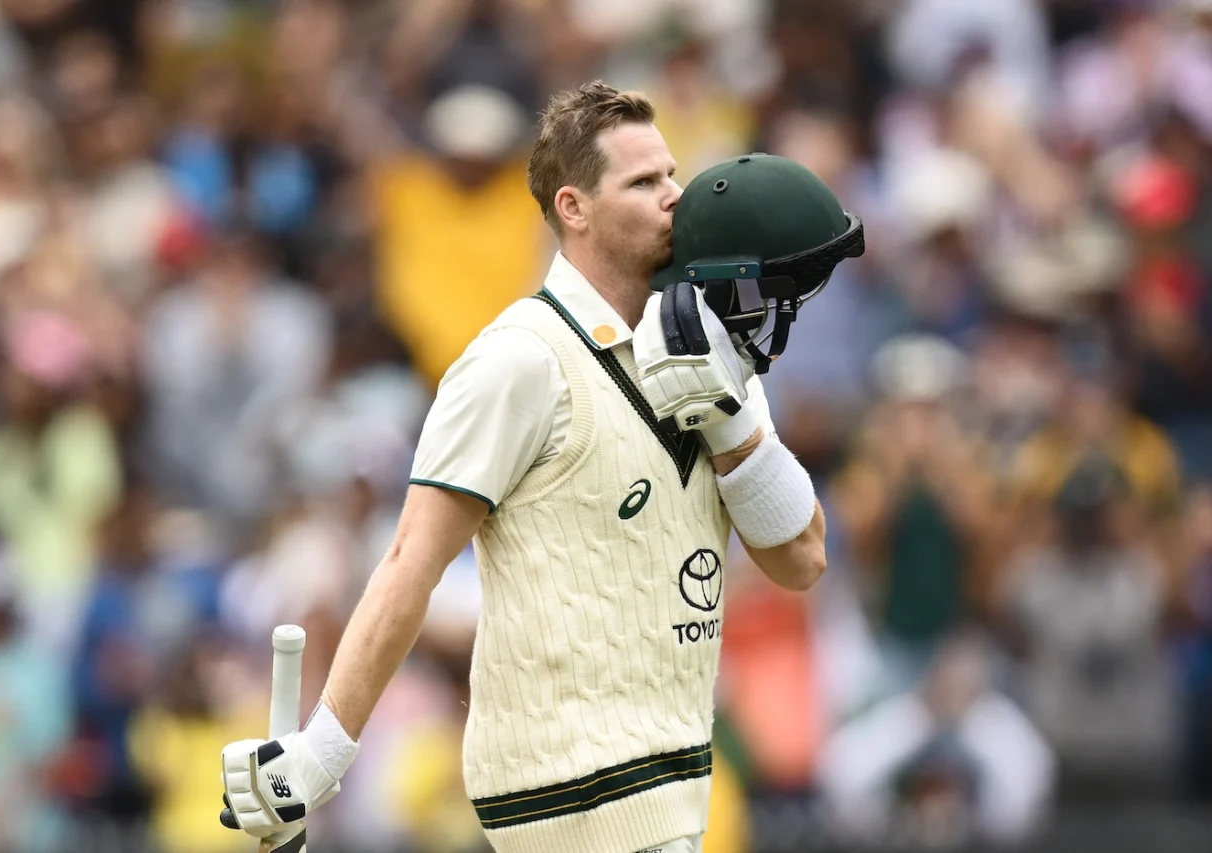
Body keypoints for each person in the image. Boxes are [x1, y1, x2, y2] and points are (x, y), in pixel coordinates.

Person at [216, 80, 864, 853]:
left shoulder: (717, 347)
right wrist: (323, 752)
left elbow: (801, 559)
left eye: (671, 175)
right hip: (569, 786)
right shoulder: (519, 360)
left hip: (676, 783)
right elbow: (409, 562)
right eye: (643, 182)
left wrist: (731, 424)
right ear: (573, 208)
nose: (672, 198)